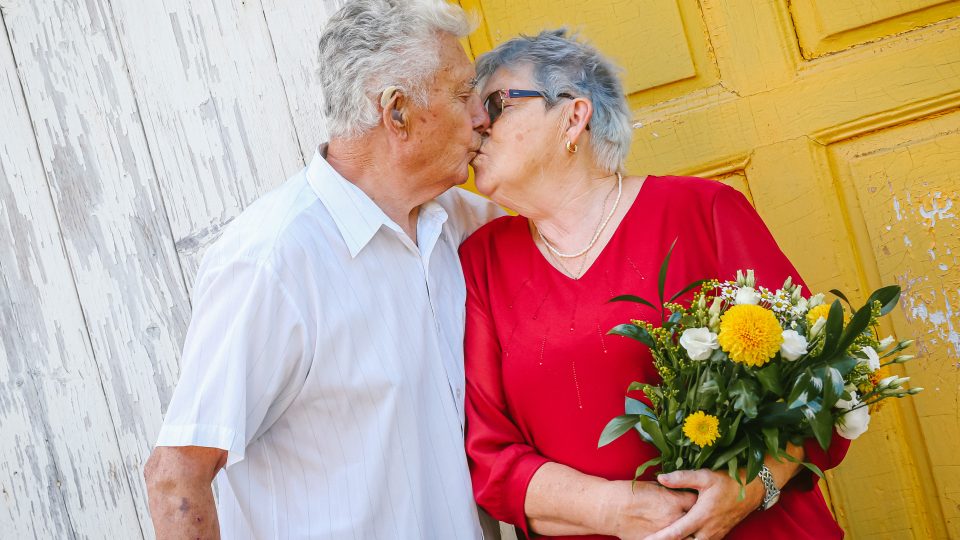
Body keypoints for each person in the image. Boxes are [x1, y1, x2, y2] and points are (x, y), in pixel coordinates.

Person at [460, 29, 850, 540]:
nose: (477, 125)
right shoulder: (483, 261)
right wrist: (614, 509)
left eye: (496, 102)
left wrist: (753, 486)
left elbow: (822, 385)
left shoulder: (703, 211)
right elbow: (491, 459)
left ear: (573, 116)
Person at [143, 1, 504, 538]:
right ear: (397, 112)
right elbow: (175, 481)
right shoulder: (273, 260)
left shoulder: (464, 223)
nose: (482, 115)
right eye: (462, 95)